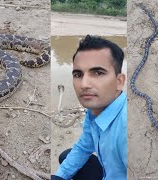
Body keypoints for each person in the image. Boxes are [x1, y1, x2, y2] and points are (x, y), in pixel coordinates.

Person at [52, 35, 127, 180]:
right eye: (78, 74)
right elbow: (83, 147)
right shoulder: (94, 111)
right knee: (67, 156)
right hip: (109, 172)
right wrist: (59, 177)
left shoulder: (126, 129)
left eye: (98, 73)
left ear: (119, 81)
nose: (84, 84)